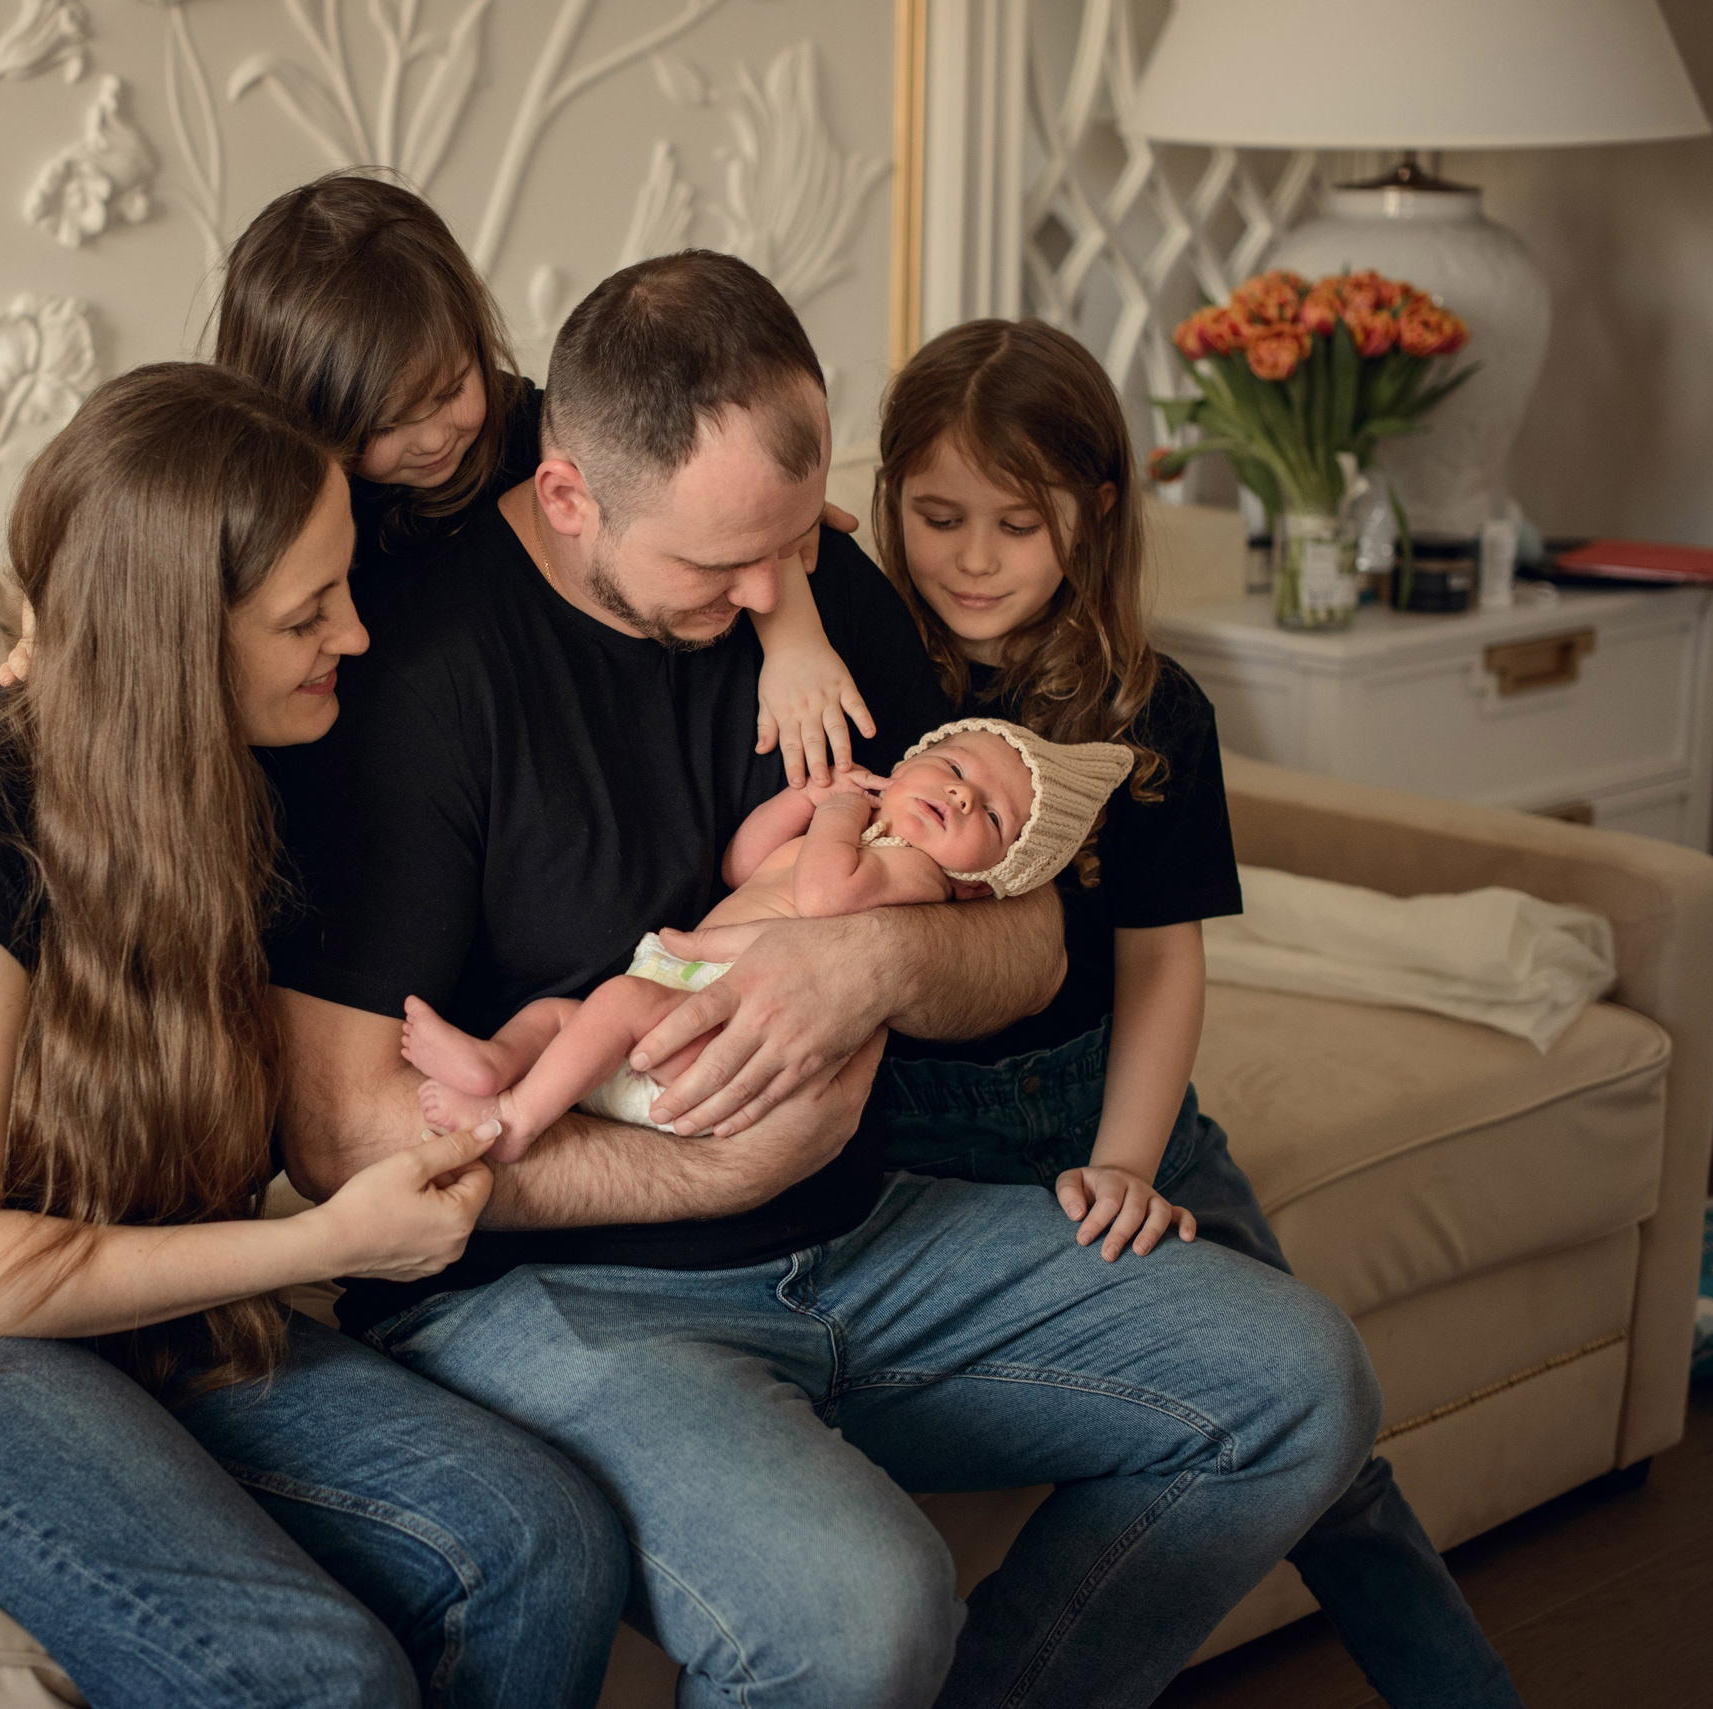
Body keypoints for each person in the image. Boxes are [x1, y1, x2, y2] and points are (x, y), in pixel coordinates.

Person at [266, 249, 1381, 1709]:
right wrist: (719, 1171)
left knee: (1302, 1387)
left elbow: (1030, 940)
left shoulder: (810, 583)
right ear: (567, 496)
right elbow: (345, 1132)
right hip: (559, 1297)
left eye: (791, 544)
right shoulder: (410, 681)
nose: (767, 592)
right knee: (863, 1612)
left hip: (873, 1236)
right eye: (718, 562)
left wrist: (869, 960)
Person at [0, 363, 630, 1709]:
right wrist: (325, 1242)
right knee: (310, 1671)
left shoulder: (273, 759)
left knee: (542, 1541)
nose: (358, 635)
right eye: (309, 615)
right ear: (174, 635)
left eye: (345, 587)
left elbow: (532, 441)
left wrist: (796, 571)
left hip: (125, 1267)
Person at [865, 317, 1524, 1704]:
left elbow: (1163, 963)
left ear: (1094, 515)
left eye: (1016, 521)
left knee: (1326, 1445)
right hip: (915, 1142)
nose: (973, 556)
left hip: (1116, 1110)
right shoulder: (864, 676)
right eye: (937, 516)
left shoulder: (1153, 713)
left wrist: (1125, 1159)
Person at [2, 171, 877, 782]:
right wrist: (51, 620)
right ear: (302, 419)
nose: (431, 438)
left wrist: (791, 625)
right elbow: (120, 530)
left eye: (450, 386)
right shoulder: (275, 510)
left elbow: (743, 520)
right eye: (382, 425)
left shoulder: (533, 436)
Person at [402, 717, 1136, 1160]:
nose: (961, 794)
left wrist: (841, 810)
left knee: (616, 1003)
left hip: (727, 1038)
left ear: (985, 880)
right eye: (951, 767)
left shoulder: (919, 879)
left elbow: (824, 894)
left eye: (994, 818)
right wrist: (799, 800)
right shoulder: (866, 837)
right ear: (911, 761)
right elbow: (743, 865)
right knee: (566, 1015)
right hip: (686, 996)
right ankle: (494, 1063)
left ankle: (517, 1123)